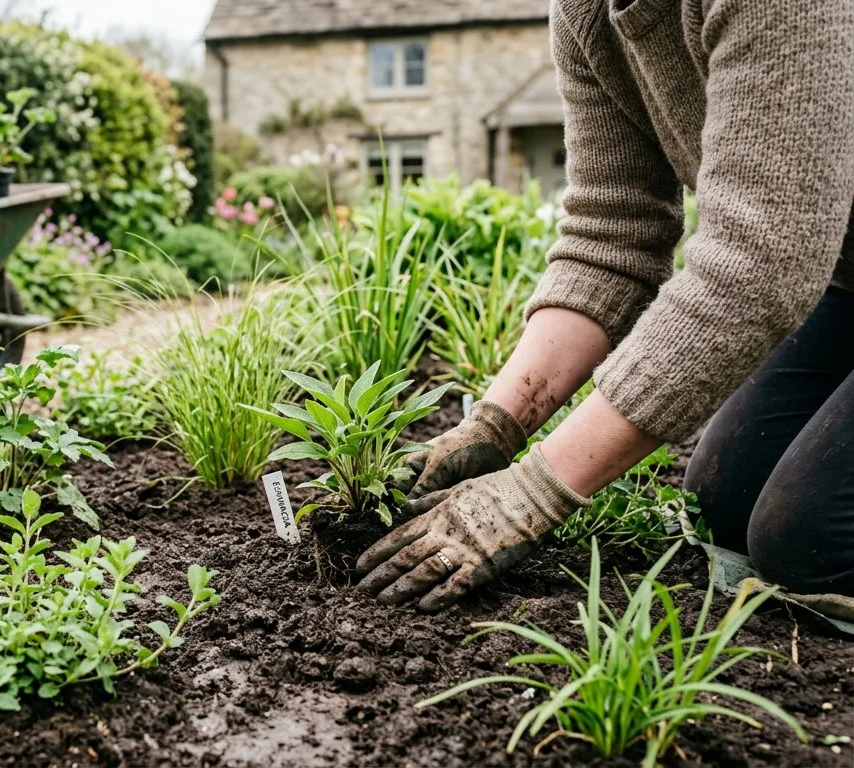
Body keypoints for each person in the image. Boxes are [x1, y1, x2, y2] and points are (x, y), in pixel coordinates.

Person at [355, 0, 854, 612]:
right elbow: (611, 232)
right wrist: (494, 426)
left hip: (806, 262)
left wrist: (534, 492)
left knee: (814, 542)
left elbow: (760, 259)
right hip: (845, 281)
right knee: (724, 494)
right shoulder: (588, 13)